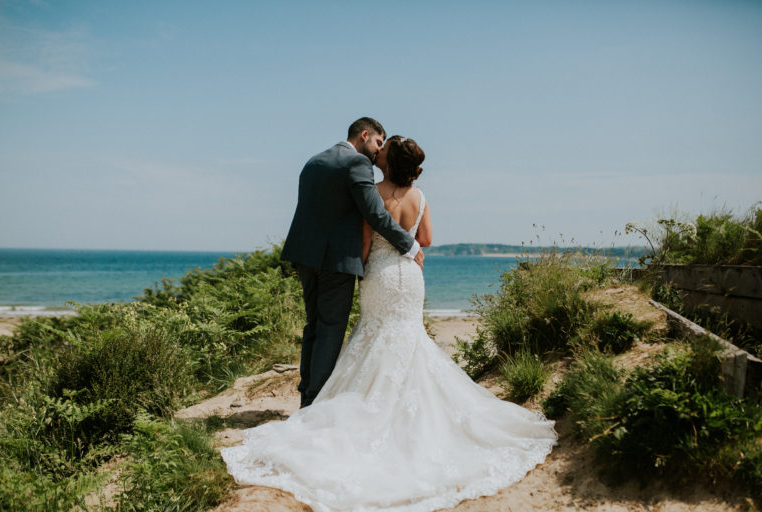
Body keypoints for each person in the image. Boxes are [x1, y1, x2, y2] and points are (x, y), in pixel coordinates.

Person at [222, 135, 557, 512]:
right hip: (410, 278)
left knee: (372, 336)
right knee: (411, 342)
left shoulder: (374, 192)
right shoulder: (421, 197)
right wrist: (411, 244)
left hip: (380, 276)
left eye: (382, 150)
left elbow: (365, 242)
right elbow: (426, 239)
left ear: (385, 160)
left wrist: (362, 267)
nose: (376, 153)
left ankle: (323, 400)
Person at [280, 117, 424, 408]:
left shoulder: (313, 162)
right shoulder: (356, 164)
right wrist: (409, 244)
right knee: (331, 329)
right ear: (365, 134)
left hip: (305, 256)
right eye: (378, 143)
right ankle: (312, 402)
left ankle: (306, 391)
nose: (377, 152)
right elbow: (375, 214)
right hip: (337, 260)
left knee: (314, 326)